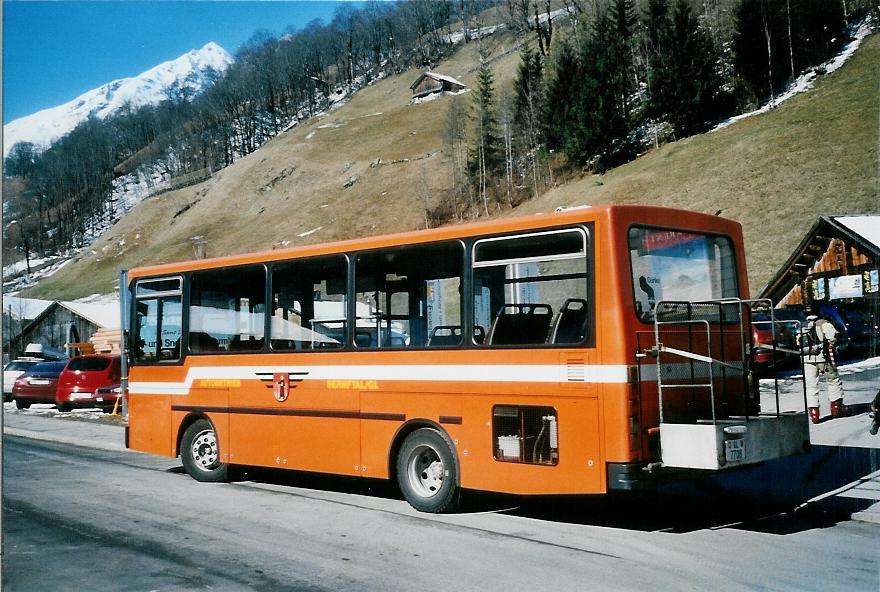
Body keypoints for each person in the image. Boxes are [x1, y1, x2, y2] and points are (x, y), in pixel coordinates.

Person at [797, 304, 846, 424]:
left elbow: (798, 342)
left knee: (811, 386)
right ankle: (836, 409)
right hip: (824, 358)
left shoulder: (801, 325)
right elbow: (832, 338)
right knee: (833, 381)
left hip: (807, 359)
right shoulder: (824, 323)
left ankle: (814, 414)